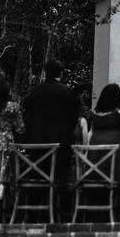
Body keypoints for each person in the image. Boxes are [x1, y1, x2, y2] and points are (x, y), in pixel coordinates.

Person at [23, 60, 81, 189]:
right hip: (62, 143)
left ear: (45, 73)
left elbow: (27, 114)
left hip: (38, 143)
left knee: (39, 178)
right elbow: (74, 118)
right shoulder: (68, 93)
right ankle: (58, 205)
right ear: (60, 73)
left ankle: (41, 204)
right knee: (60, 179)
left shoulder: (35, 92)